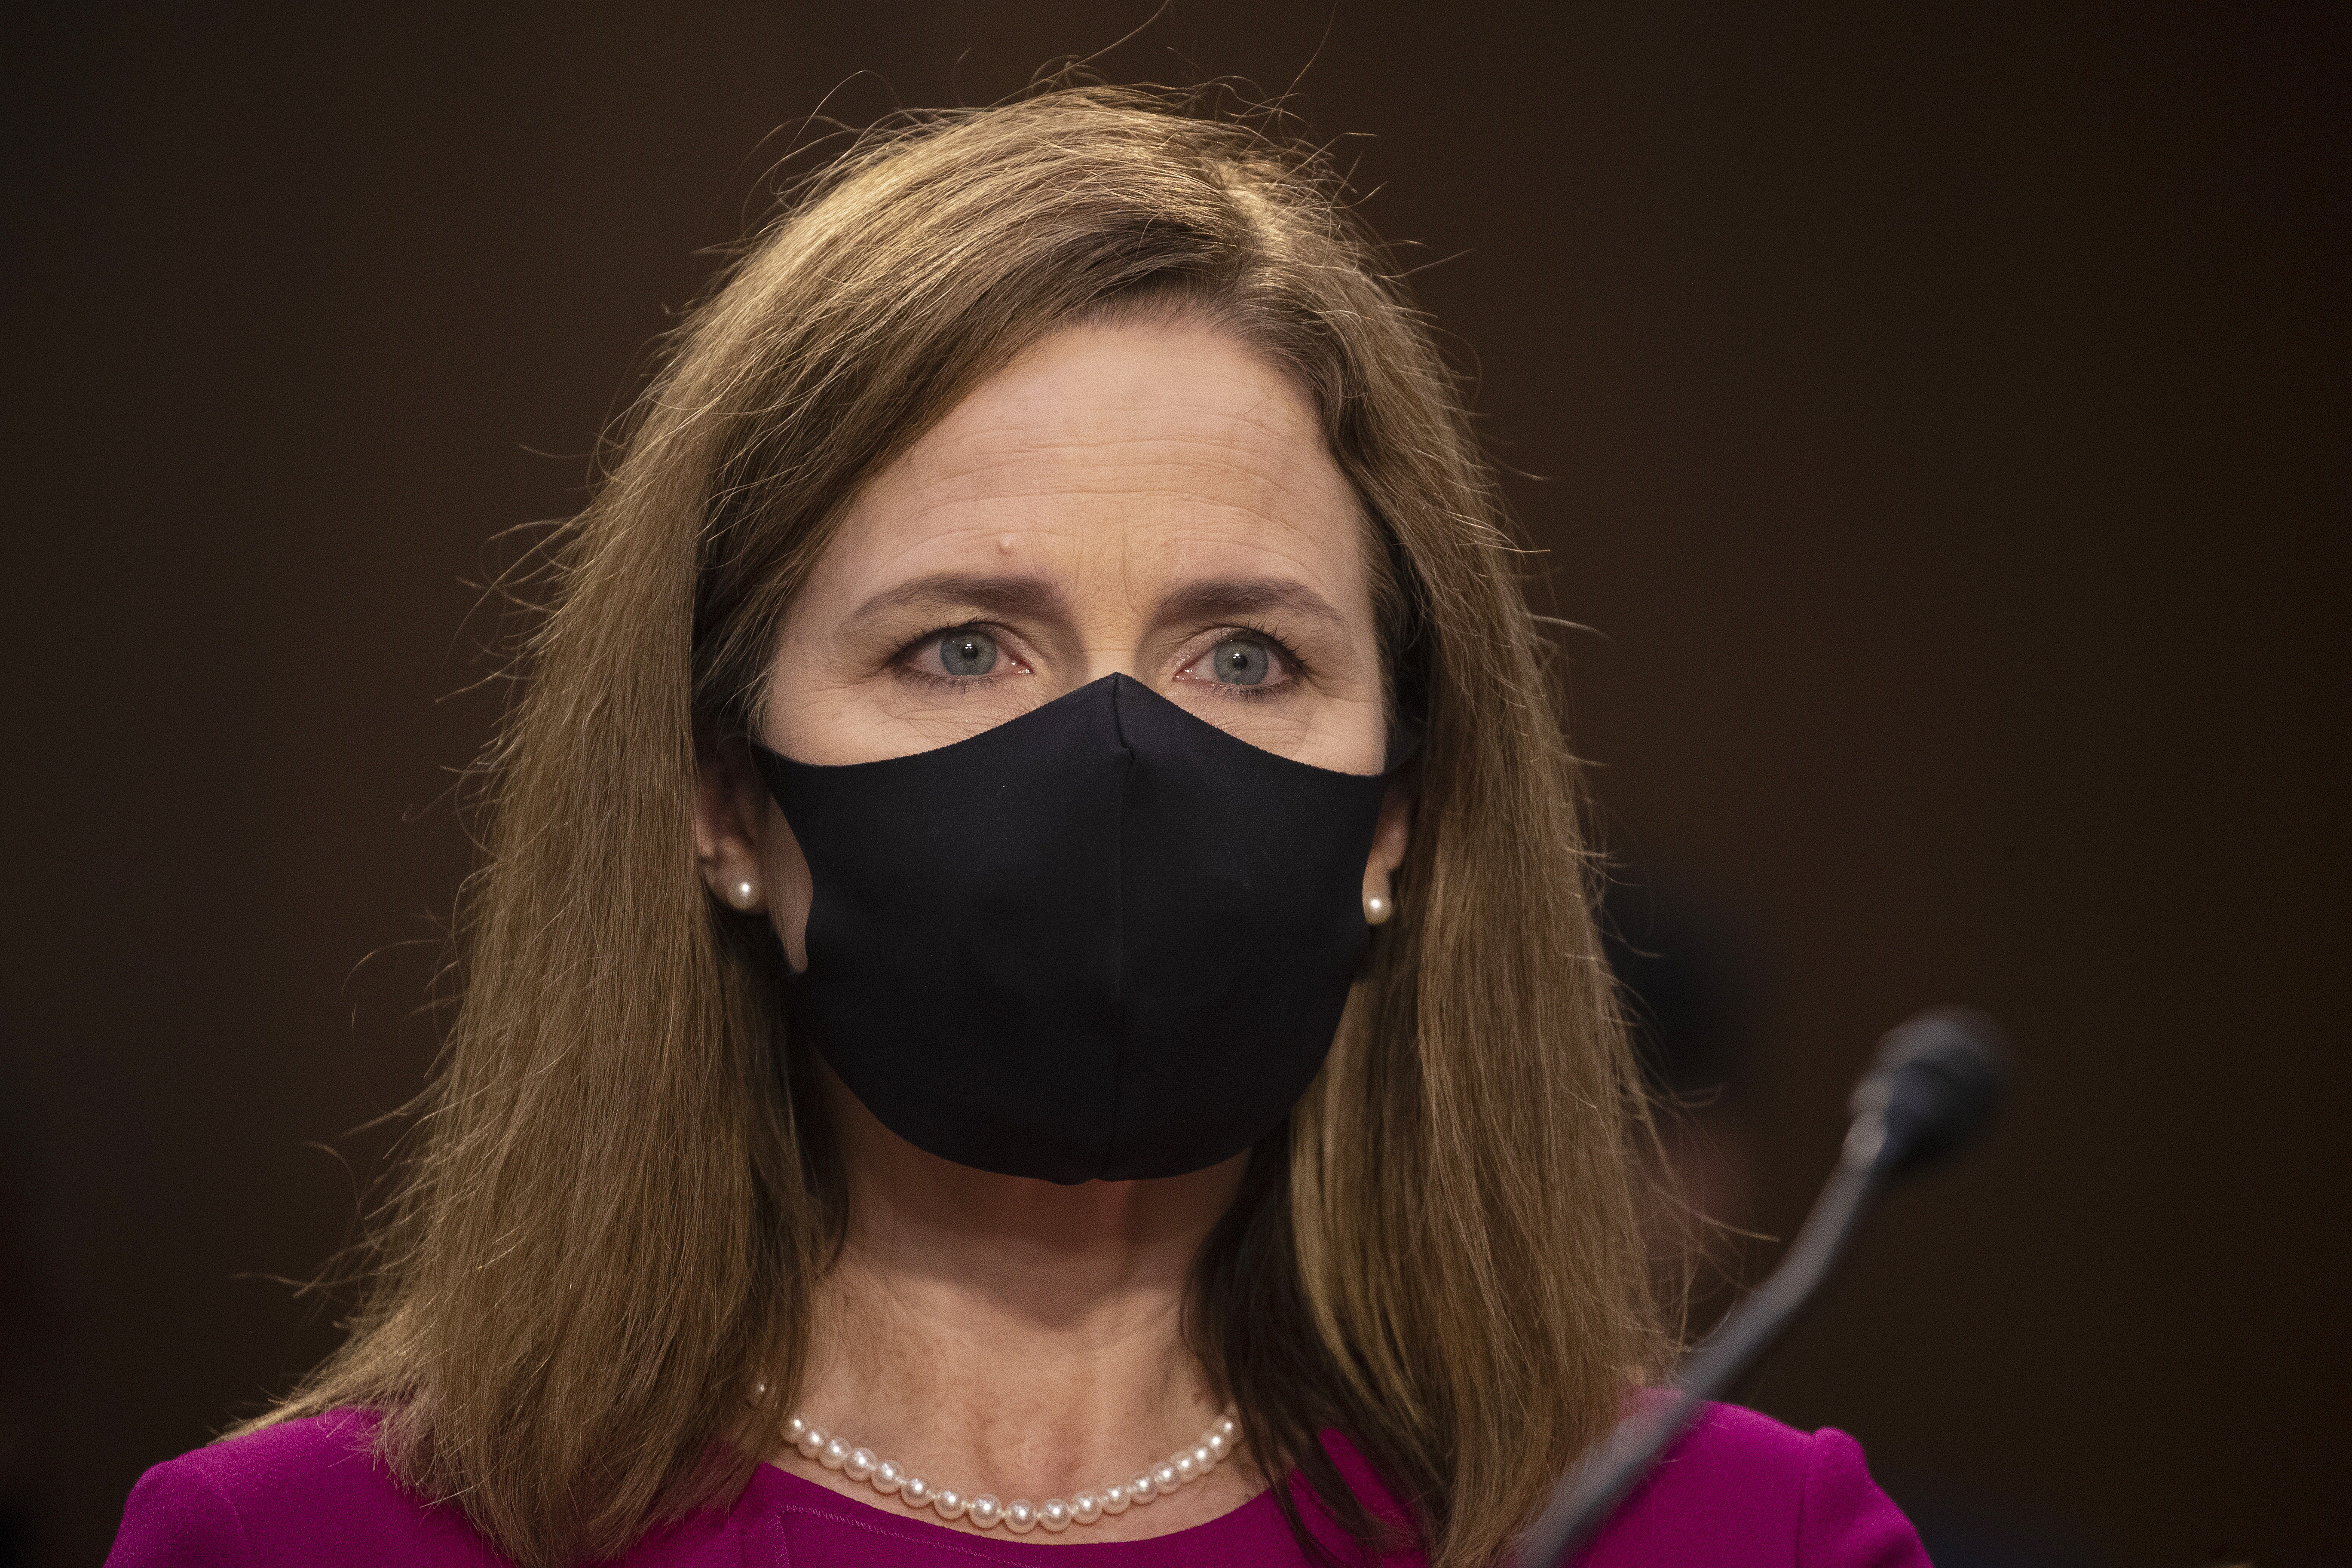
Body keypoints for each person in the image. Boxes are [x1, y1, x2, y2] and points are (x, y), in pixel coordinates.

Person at [106, 86, 1929, 1568]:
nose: (1117, 760)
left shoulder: (1736, 1539)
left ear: (1397, 816)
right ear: (722, 799)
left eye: (1244, 655)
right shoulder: (298, 1545)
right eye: (964, 646)